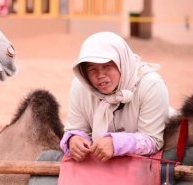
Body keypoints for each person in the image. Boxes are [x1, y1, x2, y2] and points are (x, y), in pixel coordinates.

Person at [60, 31, 171, 162]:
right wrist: (74, 140)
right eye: (92, 69)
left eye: (107, 66)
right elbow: (76, 128)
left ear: (121, 63)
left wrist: (116, 143)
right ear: (83, 72)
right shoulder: (80, 86)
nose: (100, 75)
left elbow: (153, 141)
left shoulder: (151, 85)